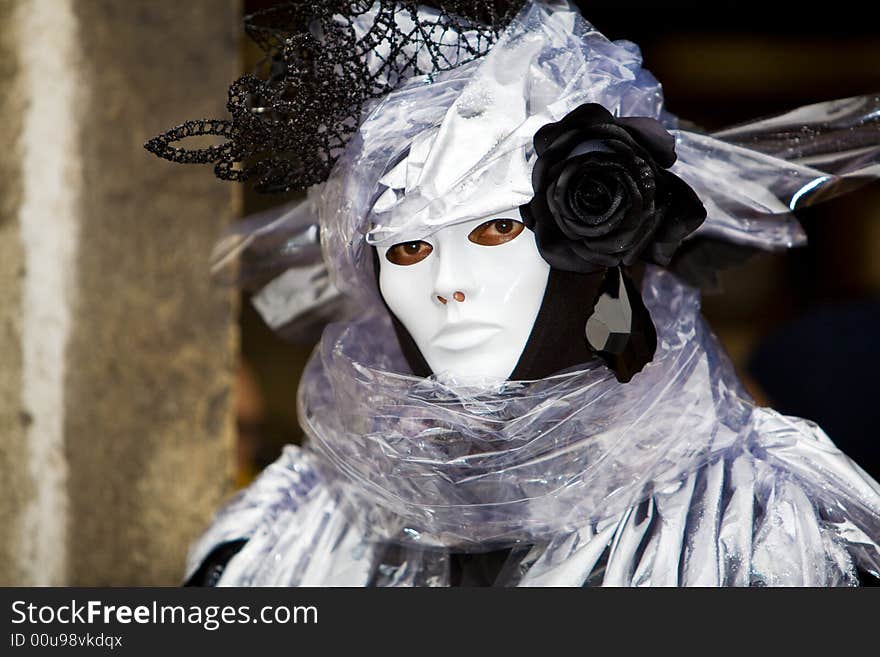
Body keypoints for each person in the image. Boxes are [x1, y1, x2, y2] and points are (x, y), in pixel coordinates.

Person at [148, 0, 880, 586]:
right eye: (407, 248)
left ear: (601, 237)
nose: (447, 285)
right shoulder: (287, 539)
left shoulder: (764, 526)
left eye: (495, 229)